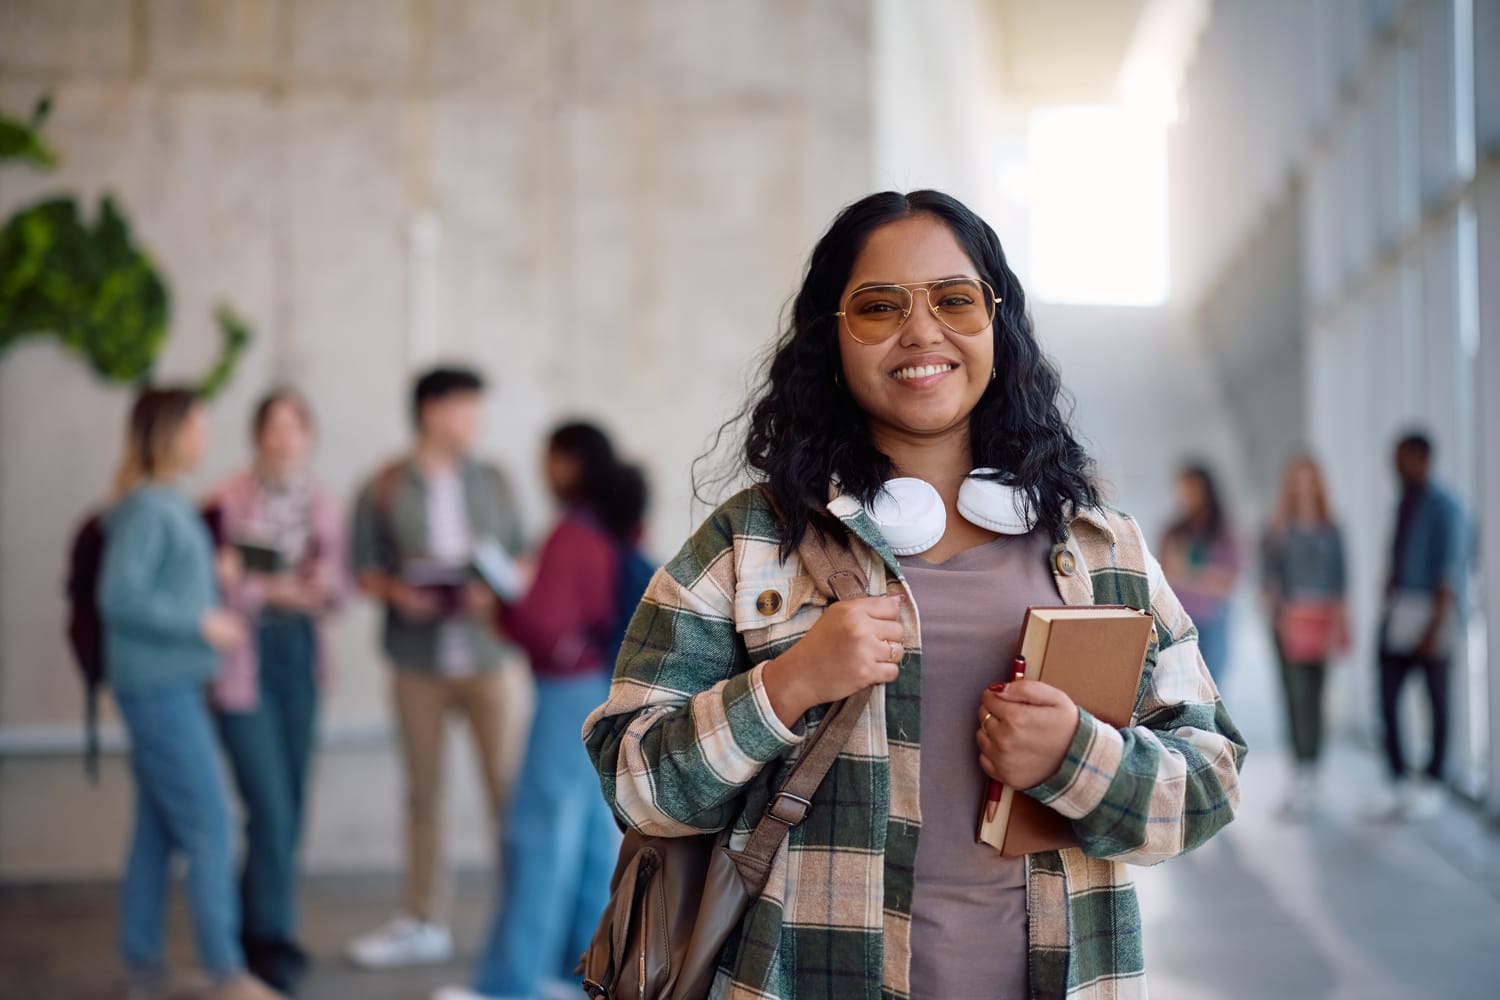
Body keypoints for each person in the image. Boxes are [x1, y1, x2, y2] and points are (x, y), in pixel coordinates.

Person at [583, 191, 1247, 999]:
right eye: (878, 307)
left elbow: (1210, 780)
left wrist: (1078, 755)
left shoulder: (1102, 547)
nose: (922, 332)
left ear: (996, 324)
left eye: (955, 300)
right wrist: (791, 682)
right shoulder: (750, 542)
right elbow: (633, 783)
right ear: (832, 339)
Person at [436, 422, 646, 1000]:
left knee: (536, 835)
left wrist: (498, 606)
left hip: (565, 697)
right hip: (603, 690)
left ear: (568, 463)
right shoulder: (614, 528)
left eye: (548, 458)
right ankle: (578, 974)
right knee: (585, 842)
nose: (542, 470)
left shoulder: (571, 536)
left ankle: (508, 984)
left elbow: (543, 626)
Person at [99, 388, 284, 1000]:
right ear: (172, 432)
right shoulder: (153, 507)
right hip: (159, 689)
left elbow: (156, 583)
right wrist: (201, 621)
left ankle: (143, 970)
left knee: (155, 833)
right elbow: (119, 596)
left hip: (166, 685)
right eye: (200, 425)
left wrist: (215, 576)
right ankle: (226, 973)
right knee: (211, 826)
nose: (207, 436)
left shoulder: (162, 504)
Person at [346, 366, 526, 968]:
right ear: (431, 412)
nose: (476, 421)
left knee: (506, 792)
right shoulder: (386, 484)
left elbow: (523, 558)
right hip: (417, 662)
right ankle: (425, 919)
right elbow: (362, 565)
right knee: (423, 795)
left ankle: (523, 917)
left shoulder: (495, 480)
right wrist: (400, 593)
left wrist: (495, 589)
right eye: (466, 409)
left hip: (487, 658)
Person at [208, 389, 348, 993]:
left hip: (301, 658)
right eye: (273, 427)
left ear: (308, 436)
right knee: (269, 804)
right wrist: (270, 592)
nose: (284, 438)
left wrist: (318, 587)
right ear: (256, 434)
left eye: (295, 427)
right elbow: (211, 587)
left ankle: (251, 924)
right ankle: (271, 934)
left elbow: (339, 590)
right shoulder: (227, 500)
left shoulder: (322, 501)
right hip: (245, 659)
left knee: (290, 799)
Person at [1372, 431, 1468, 820]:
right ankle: (1397, 779)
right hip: (1401, 611)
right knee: (1388, 697)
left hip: (1431, 614)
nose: (1394, 465)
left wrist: (1434, 628)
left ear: (1420, 457)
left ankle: (1433, 780)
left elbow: (1451, 572)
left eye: (1400, 458)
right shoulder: (1404, 503)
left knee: (1437, 700)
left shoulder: (1446, 506)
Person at [1260, 454, 1347, 819]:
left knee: (1318, 694)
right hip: (1289, 623)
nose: (1304, 487)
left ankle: (1314, 769)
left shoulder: (1332, 528)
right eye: (1298, 480)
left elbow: (1342, 580)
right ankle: (1299, 771)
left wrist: (1339, 624)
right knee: (1295, 696)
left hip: (1322, 621)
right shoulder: (1279, 528)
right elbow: (1268, 578)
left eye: (1309, 479)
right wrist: (1275, 615)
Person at [1161, 463, 1240, 685]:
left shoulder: (1224, 533)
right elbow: (1165, 575)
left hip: (1212, 619)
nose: (1184, 495)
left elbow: (1229, 582)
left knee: (1211, 685)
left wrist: (1186, 573)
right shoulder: (1173, 531)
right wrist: (1203, 577)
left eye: (1190, 488)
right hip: (1179, 621)